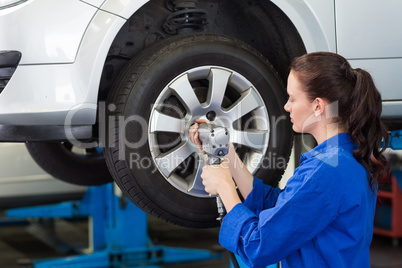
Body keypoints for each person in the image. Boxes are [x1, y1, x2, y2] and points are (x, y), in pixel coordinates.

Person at [189, 52, 389, 268]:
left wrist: (226, 188)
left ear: (318, 106)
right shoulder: (344, 158)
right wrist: (227, 152)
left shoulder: (325, 172)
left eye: (292, 98)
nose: (286, 106)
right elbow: (286, 210)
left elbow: (259, 247)